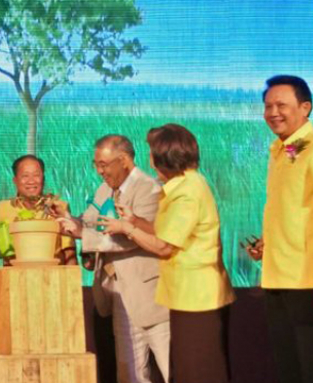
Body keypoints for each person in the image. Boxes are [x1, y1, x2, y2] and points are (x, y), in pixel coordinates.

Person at [100, 125, 235, 383]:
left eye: (152, 152)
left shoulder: (186, 192)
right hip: (185, 295)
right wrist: (137, 221)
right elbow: (169, 232)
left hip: (197, 296)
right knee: (185, 368)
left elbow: (164, 246)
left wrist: (127, 228)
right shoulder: (181, 186)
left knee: (197, 370)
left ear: (164, 157)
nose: (149, 159)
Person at [56, 135, 170, 383]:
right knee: (129, 371)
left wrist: (82, 233)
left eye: (104, 164)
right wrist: (71, 221)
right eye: (96, 164)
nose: (99, 171)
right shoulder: (105, 189)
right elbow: (89, 223)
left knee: (169, 365)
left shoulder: (149, 189)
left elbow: (132, 238)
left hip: (148, 293)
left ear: (124, 160)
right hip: (117, 292)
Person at [246, 75, 313, 383]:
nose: (273, 112)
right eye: (267, 105)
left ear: (305, 108)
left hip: (306, 279)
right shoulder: (285, 149)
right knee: (289, 367)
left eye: (281, 105)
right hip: (279, 276)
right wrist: (268, 243)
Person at [0, 154, 76, 264]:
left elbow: (69, 252)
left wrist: (71, 280)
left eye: (36, 175)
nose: (31, 181)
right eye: (25, 176)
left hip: (53, 277)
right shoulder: (1, 210)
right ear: (15, 180)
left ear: (43, 179)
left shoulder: (59, 208)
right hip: (15, 277)